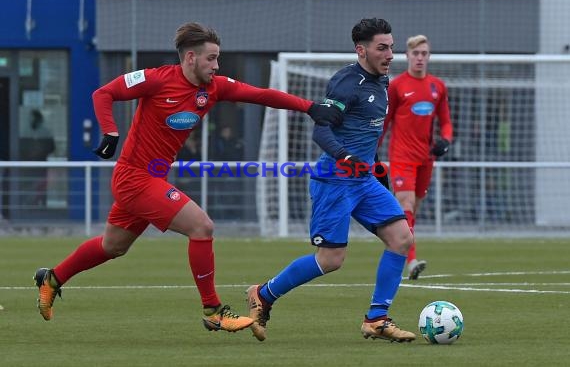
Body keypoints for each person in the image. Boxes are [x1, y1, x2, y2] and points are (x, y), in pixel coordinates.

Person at [33, 22, 342, 332]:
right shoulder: (155, 79)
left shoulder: (214, 87)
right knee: (202, 226)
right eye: (211, 58)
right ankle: (213, 310)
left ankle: (52, 278)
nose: (216, 66)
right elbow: (104, 93)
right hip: (133, 178)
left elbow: (261, 95)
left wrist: (310, 107)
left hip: (152, 177)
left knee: (113, 246)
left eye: (218, 58)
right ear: (190, 57)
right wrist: (110, 131)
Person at [247, 18, 416, 343]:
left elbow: (368, 134)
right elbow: (321, 129)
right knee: (331, 260)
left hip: (364, 179)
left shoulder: (382, 82)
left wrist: (376, 169)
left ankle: (376, 319)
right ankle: (264, 293)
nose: (390, 54)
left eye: (392, 47)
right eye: (383, 48)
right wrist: (345, 157)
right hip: (335, 180)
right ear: (361, 50)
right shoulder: (344, 83)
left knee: (402, 239)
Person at [381, 34, 453, 279]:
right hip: (401, 157)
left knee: (414, 210)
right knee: (406, 205)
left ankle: (399, 245)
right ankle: (410, 261)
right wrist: (372, 152)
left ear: (428, 56)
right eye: (416, 53)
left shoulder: (437, 87)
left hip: (426, 159)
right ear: (408, 56)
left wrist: (446, 141)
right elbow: (385, 123)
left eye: (424, 53)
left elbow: (445, 122)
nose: (420, 58)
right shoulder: (397, 85)